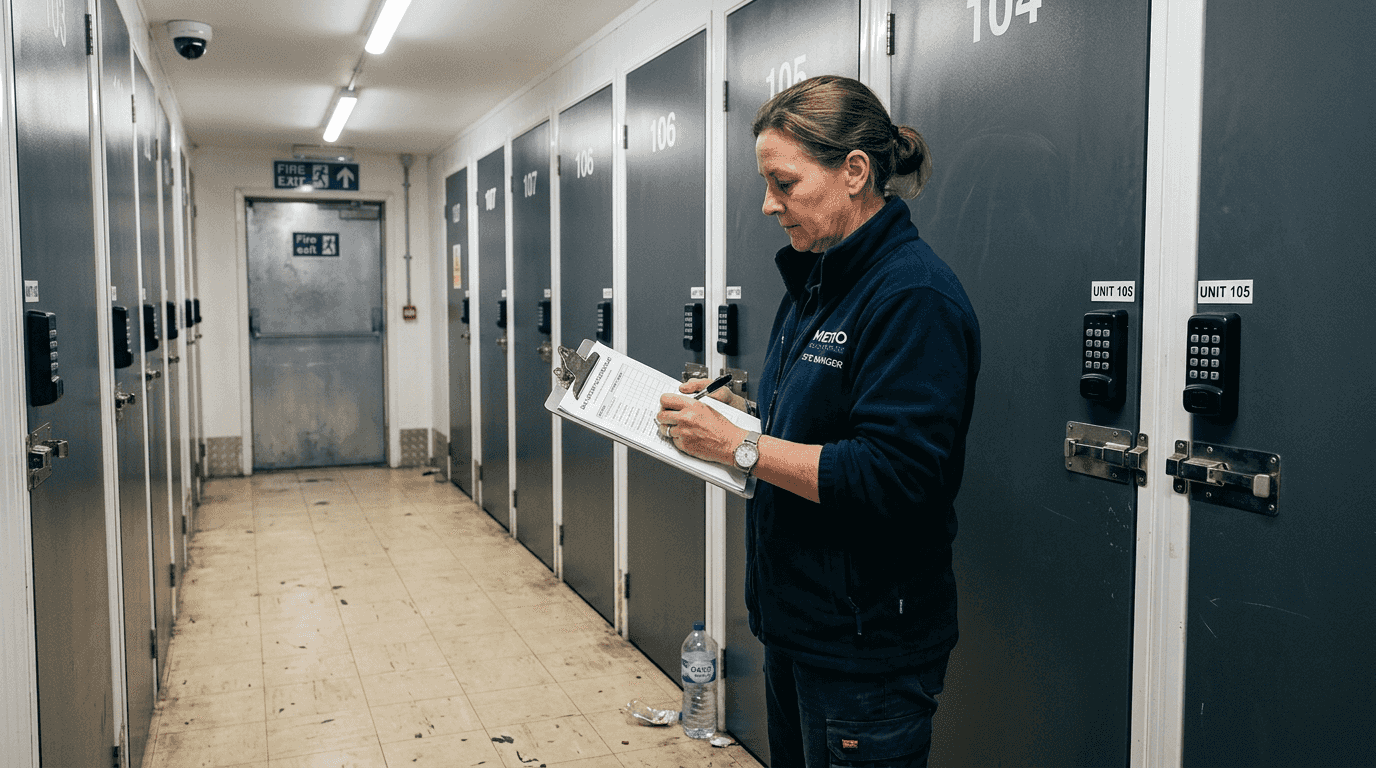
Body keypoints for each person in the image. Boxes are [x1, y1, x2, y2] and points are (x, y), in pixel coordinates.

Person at [655, 75, 981, 767]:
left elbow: (894, 472)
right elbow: (823, 426)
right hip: (801, 627)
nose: (769, 204)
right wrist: (742, 416)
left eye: (785, 183)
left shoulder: (913, 296)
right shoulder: (819, 281)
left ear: (854, 172)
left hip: (867, 651)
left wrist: (741, 447)